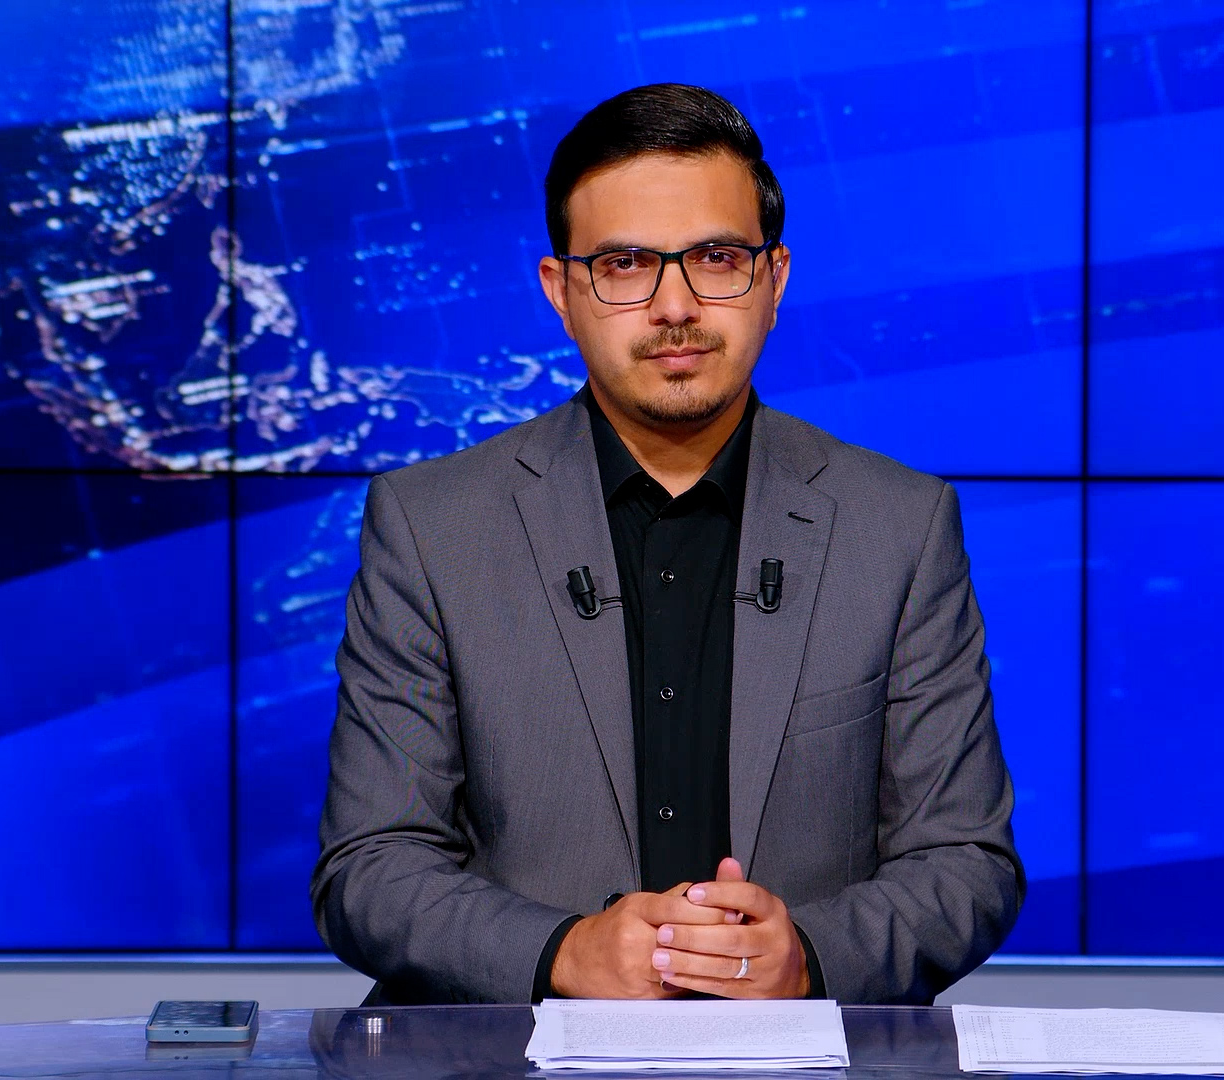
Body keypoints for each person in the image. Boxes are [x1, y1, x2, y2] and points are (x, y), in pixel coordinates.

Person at [311, 83, 1023, 1005]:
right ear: (561, 292)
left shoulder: (899, 526)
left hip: (796, 1060)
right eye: (625, 265)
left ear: (774, 279)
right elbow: (369, 866)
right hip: (515, 1058)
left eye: (718, 258)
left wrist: (808, 958)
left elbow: (964, 860)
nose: (675, 306)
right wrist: (562, 954)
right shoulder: (431, 527)